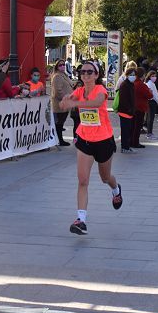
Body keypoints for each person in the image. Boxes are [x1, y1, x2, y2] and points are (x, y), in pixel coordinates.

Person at [58, 61, 123, 235]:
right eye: (82, 71)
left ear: (96, 75)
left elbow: (95, 103)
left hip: (103, 140)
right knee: (82, 180)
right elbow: (68, 100)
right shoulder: (79, 91)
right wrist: (65, 101)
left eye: (89, 72)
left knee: (105, 177)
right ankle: (81, 220)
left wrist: (74, 104)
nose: (85, 75)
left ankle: (116, 189)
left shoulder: (100, 90)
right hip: (85, 140)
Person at [49, 60, 73, 147]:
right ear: (57, 66)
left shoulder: (64, 75)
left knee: (61, 123)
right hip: (60, 104)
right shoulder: (57, 76)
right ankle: (59, 140)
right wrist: (65, 99)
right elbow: (57, 91)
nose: (62, 66)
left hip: (65, 103)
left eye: (63, 65)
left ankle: (59, 139)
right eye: (60, 65)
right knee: (58, 123)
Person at [116, 66, 137, 153]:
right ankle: (124, 147)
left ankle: (127, 146)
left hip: (129, 111)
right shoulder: (125, 85)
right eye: (131, 74)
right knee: (125, 130)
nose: (133, 76)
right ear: (127, 75)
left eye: (134, 75)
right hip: (125, 111)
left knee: (128, 130)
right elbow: (124, 100)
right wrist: (129, 109)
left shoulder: (131, 84)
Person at [132, 68, 152, 148]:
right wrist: (150, 92)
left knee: (133, 126)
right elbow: (149, 95)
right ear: (143, 75)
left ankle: (132, 141)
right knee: (137, 126)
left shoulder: (133, 83)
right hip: (140, 107)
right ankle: (135, 142)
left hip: (133, 107)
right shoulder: (141, 84)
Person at [144, 68, 158, 140]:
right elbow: (153, 94)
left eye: (155, 76)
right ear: (149, 76)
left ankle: (149, 132)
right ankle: (149, 133)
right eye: (153, 76)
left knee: (148, 118)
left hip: (149, 102)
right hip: (152, 102)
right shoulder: (150, 84)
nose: (154, 77)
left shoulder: (148, 83)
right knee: (151, 118)